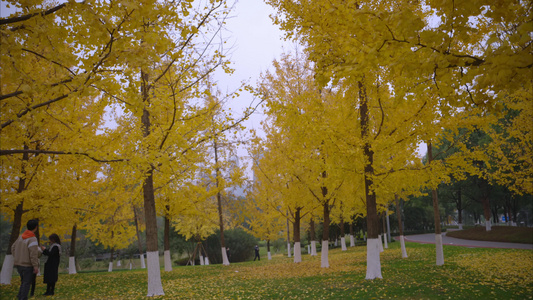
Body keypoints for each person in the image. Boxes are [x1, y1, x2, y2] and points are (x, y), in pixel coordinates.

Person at [12, 219, 41, 300]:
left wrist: (17, 257)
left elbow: (13, 247)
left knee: (24, 282)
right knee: (27, 283)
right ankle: (23, 298)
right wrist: (35, 266)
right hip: (27, 265)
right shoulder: (32, 238)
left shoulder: (20, 237)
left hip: (19, 264)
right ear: (36, 227)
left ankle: (20, 296)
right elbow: (33, 254)